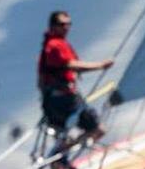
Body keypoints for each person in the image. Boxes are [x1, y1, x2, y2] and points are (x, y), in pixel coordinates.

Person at [37, 10, 113, 153]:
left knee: (63, 135)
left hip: (55, 100)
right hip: (65, 100)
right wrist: (101, 65)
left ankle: (59, 161)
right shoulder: (55, 45)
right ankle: (61, 152)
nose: (66, 27)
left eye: (68, 24)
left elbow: (41, 80)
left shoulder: (51, 45)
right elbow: (71, 65)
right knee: (98, 129)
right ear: (53, 26)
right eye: (62, 24)